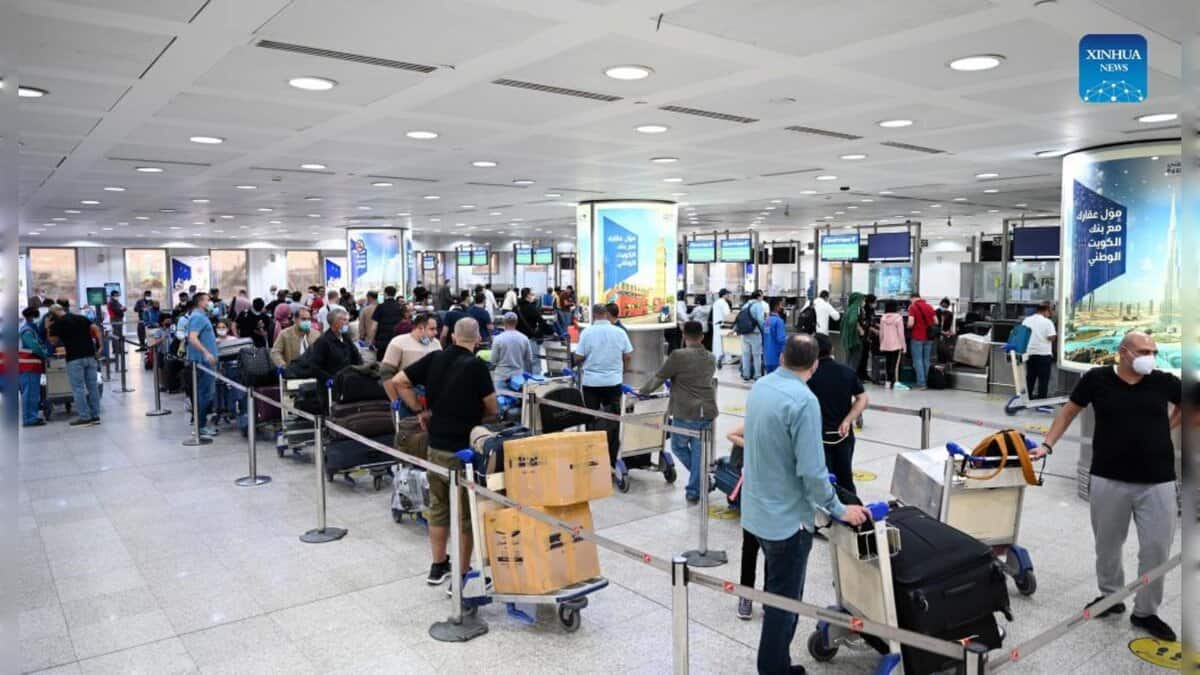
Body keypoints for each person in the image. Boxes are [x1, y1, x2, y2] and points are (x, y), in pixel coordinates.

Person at [1035, 331, 1180, 641]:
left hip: (1158, 481)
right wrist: (1047, 445)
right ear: (1124, 352)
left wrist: (1169, 425)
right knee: (1108, 545)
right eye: (1143, 350)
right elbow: (1070, 411)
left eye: (1153, 351)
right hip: (1108, 477)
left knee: (1156, 549)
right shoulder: (1096, 379)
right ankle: (1111, 597)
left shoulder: (1163, 381)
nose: (1149, 356)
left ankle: (1146, 611)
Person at [742, 334, 869, 673]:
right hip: (787, 520)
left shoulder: (761, 386)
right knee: (784, 602)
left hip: (756, 511)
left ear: (782, 357)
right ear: (814, 365)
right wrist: (839, 509)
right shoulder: (803, 400)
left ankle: (776, 663)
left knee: (773, 593)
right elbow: (813, 471)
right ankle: (774, 669)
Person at [386, 318, 497, 586]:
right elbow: (492, 408)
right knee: (465, 515)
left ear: (453, 337)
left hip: (435, 447)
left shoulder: (435, 357)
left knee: (438, 508)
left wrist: (419, 410)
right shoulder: (477, 367)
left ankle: (438, 566)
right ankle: (461, 574)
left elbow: (398, 380)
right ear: (478, 339)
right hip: (464, 453)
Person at [638, 320, 716, 503]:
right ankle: (696, 488)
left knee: (678, 446)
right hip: (708, 410)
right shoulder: (711, 357)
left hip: (686, 411)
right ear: (702, 336)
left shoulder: (678, 355)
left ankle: (699, 484)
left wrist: (642, 392)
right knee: (698, 452)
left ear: (684, 336)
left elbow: (659, 376)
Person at [807, 334, 869, 495]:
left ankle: (825, 515)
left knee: (822, 480)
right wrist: (848, 420)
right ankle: (851, 510)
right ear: (832, 349)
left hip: (815, 436)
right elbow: (862, 398)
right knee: (845, 478)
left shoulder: (807, 376)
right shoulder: (846, 372)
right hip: (843, 434)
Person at [575, 304, 633, 467]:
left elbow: (579, 356)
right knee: (614, 418)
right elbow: (628, 355)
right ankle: (612, 456)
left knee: (591, 417)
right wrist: (622, 370)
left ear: (594, 315)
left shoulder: (587, 332)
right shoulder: (619, 332)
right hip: (613, 382)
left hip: (591, 383)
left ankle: (592, 456)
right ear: (606, 315)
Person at [49, 303, 104, 427]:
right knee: (92, 386)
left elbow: (52, 341)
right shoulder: (81, 318)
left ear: (53, 314)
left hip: (74, 359)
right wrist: (101, 346)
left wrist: (48, 327)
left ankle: (84, 417)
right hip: (90, 356)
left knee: (78, 388)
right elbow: (96, 329)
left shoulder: (57, 324)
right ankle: (95, 416)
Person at [186, 292, 220, 437]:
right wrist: (206, 352)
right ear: (200, 302)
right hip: (203, 362)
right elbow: (192, 338)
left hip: (206, 362)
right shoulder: (198, 317)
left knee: (205, 394)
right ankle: (200, 427)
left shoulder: (201, 316)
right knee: (204, 394)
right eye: (208, 300)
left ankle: (202, 425)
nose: (210, 303)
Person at [381, 312, 442, 377]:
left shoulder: (436, 344)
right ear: (420, 328)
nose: (436, 332)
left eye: (436, 329)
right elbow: (386, 372)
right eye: (432, 329)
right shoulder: (398, 342)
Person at [307, 308, 362, 380]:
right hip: (332, 383)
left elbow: (356, 356)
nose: (347, 323)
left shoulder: (346, 338)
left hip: (348, 380)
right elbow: (315, 367)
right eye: (344, 320)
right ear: (334, 322)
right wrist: (330, 379)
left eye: (347, 320)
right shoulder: (323, 341)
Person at [19, 307, 49, 427]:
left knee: (32, 392)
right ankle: (30, 419)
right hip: (28, 366)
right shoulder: (27, 331)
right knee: (30, 393)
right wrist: (45, 354)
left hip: (30, 366)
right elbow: (35, 347)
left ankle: (32, 417)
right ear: (32, 317)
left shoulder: (30, 329)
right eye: (37, 317)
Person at [1021, 301, 1057, 400]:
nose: (1050, 314)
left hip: (1029, 353)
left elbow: (1023, 335)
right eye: (1050, 312)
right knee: (1043, 380)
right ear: (1045, 311)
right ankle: (1041, 403)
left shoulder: (1026, 320)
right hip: (1043, 354)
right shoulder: (1047, 322)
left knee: (1030, 378)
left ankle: (1027, 399)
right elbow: (1052, 337)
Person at [490, 312, 534, 390]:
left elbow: (493, 360)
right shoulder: (524, 338)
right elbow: (529, 359)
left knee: (501, 401)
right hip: (518, 378)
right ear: (516, 322)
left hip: (501, 376)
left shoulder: (498, 339)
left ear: (504, 322)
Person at [906, 291, 936, 389]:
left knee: (918, 360)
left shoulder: (912, 307)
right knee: (926, 359)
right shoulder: (929, 306)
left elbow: (911, 323)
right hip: (929, 337)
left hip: (917, 337)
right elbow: (936, 321)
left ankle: (921, 383)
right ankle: (925, 381)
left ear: (912, 298)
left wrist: (907, 326)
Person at [515, 288, 547, 375]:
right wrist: (550, 331)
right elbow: (541, 321)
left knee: (524, 362)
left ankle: (526, 383)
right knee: (535, 361)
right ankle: (535, 383)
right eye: (531, 294)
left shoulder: (516, 308)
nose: (533, 296)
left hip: (519, 339)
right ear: (528, 295)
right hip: (530, 339)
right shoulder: (531, 308)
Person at [371, 286, 405, 362]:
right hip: (396, 339)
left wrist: (372, 340)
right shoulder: (399, 307)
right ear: (395, 294)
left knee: (380, 362)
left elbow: (374, 326)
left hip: (382, 340)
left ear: (385, 293)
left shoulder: (380, 307)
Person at [739, 291, 767, 382]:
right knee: (757, 355)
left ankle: (746, 375)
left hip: (745, 333)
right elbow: (760, 319)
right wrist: (764, 330)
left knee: (746, 355)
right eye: (762, 296)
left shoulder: (745, 305)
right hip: (755, 333)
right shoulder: (758, 305)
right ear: (758, 297)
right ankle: (757, 375)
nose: (763, 297)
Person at [878, 300, 906, 389]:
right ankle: (895, 382)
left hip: (886, 344)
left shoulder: (883, 318)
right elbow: (901, 334)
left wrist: (881, 343)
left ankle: (888, 382)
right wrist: (904, 346)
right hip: (896, 345)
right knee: (895, 364)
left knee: (888, 363)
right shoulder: (899, 318)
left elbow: (881, 333)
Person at [839, 292, 865, 370]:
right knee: (854, 360)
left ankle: (847, 378)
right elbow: (852, 321)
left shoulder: (849, 309)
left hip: (847, 339)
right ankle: (850, 378)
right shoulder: (855, 308)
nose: (863, 302)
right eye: (862, 300)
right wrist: (860, 329)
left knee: (849, 359)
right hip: (854, 339)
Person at [762, 298, 788, 375]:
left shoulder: (766, 320)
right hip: (777, 357)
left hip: (767, 356)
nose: (782, 307)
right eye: (781, 305)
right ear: (777, 307)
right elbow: (781, 339)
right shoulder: (779, 321)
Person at [858, 294, 878, 382]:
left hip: (869, 337)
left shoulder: (871, 310)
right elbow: (865, 323)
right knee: (861, 356)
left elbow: (872, 321)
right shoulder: (863, 310)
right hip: (863, 336)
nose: (876, 304)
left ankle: (864, 374)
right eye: (875, 302)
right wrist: (873, 329)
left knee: (866, 356)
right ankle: (859, 375)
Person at [711, 289, 731, 366]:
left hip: (716, 325)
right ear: (724, 295)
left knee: (717, 341)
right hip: (723, 325)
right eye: (728, 294)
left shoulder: (716, 302)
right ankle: (725, 359)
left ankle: (717, 357)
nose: (729, 296)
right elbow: (727, 315)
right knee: (724, 342)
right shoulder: (724, 303)